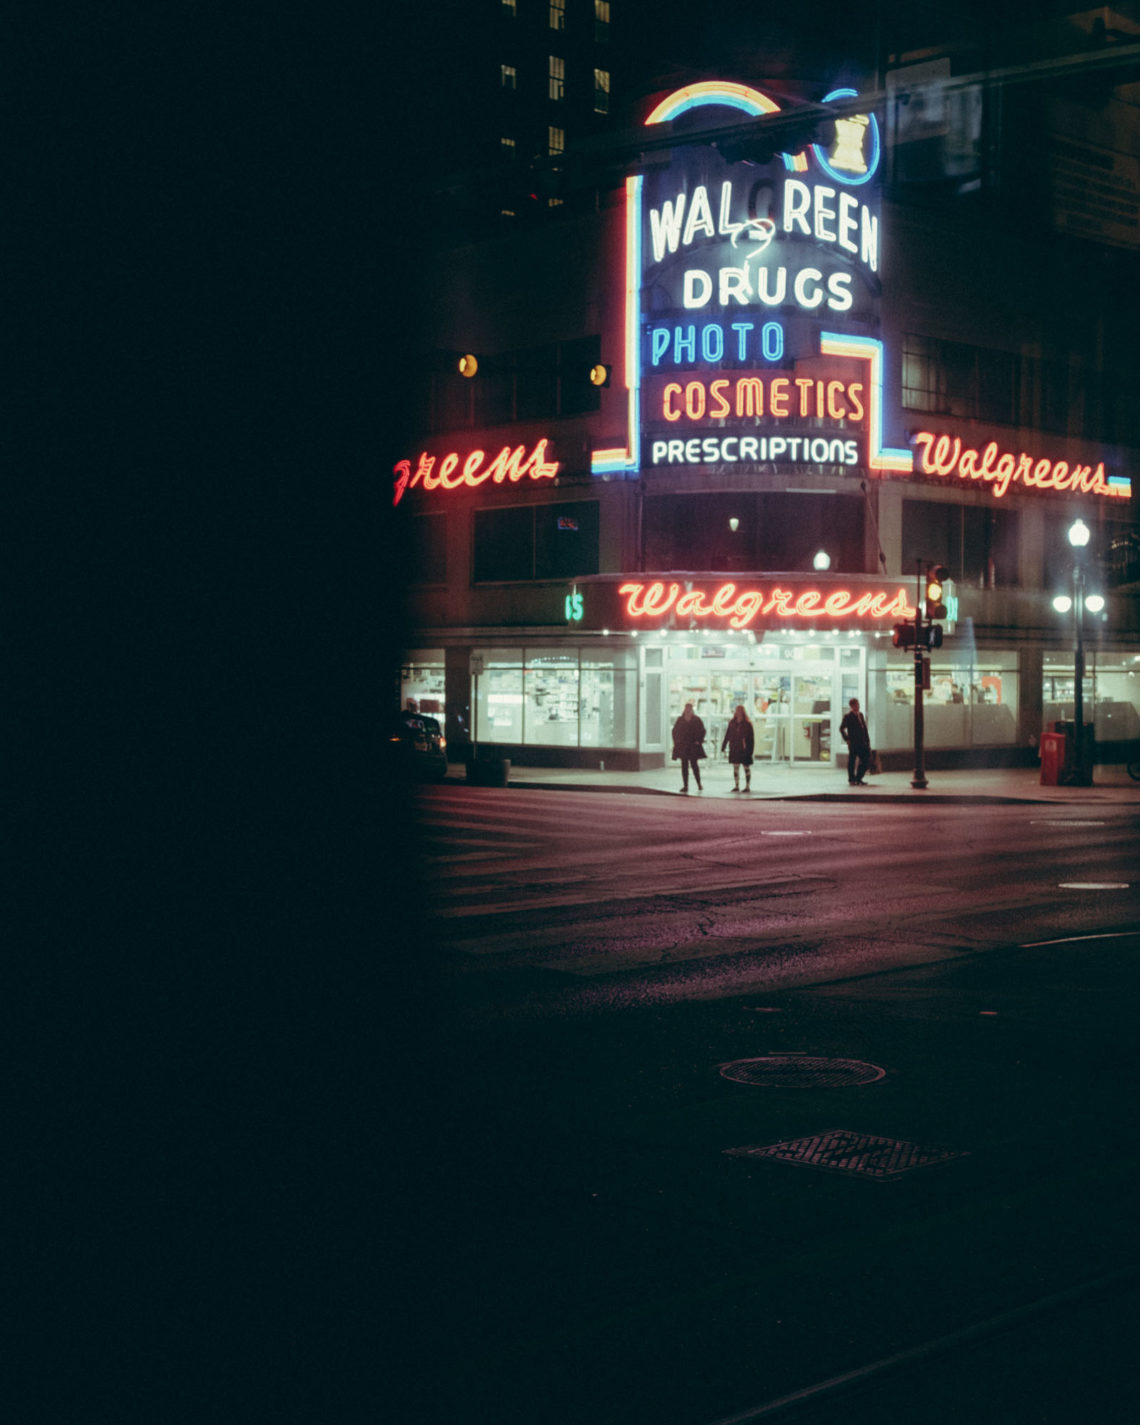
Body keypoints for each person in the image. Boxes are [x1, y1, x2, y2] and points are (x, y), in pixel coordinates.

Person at [671, 702, 707, 792]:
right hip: (684, 746)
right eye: (687, 708)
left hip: (693, 746)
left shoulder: (696, 720)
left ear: (691, 710)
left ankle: (699, 784)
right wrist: (677, 741)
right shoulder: (681, 719)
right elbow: (675, 731)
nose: (688, 710)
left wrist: (699, 740)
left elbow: (702, 730)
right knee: (684, 766)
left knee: (694, 765)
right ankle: (686, 785)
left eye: (689, 709)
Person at [721, 704, 755, 792]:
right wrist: (724, 745)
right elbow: (727, 735)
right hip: (734, 747)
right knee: (735, 767)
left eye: (740, 711)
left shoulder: (747, 724)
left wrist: (750, 750)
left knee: (746, 767)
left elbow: (751, 738)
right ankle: (737, 785)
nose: (738, 713)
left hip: (744, 749)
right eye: (737, 711)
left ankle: (747, 786)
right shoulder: (732, 723)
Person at [839, 697, 872, 785]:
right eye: (856, 705)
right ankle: (851, 779)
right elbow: (841, 728)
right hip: (853, 743)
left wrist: (867, 740)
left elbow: (864, 728)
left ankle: (858, 777)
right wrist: (847, 739)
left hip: (862, 742)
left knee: (866, 760)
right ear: (852, 706)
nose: (858, 706)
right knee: (852, 762)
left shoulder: (860, 715)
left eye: (858, 704)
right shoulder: (848, 716)